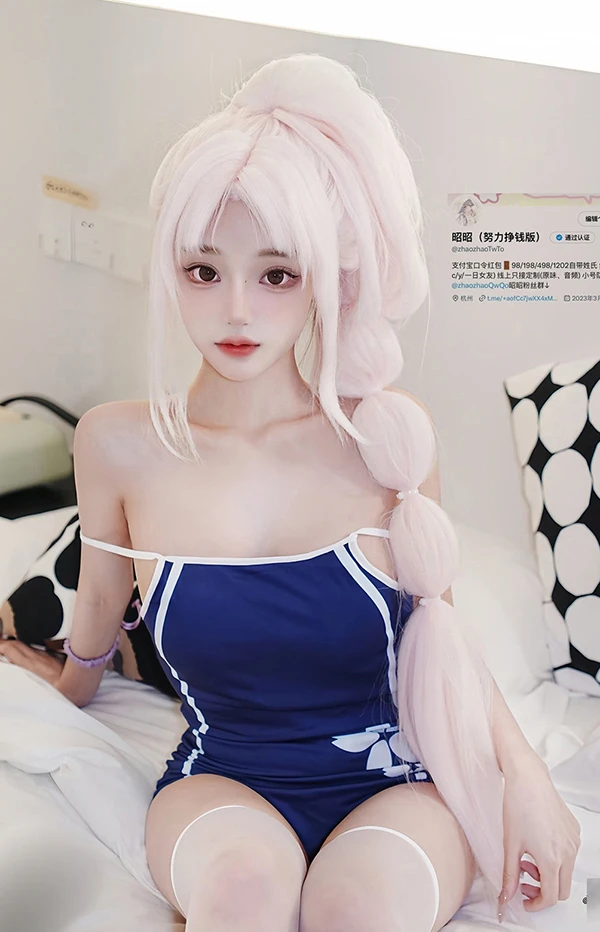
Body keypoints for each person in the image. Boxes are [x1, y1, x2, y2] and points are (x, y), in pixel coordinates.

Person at [0, 53, 580, 932]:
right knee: (242, 898)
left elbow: (444, 639)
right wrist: (69, 680)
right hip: (222, 780)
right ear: (169, 271)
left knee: (356, 912)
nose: (237, 310)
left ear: (324, 279)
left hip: (398, 783)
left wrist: (525, 776)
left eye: (276, 275)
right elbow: (99, 615)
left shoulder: (387, 440)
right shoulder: (118, 444)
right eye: (204, 272)